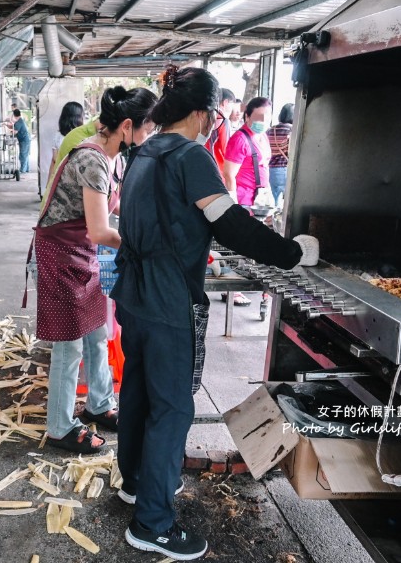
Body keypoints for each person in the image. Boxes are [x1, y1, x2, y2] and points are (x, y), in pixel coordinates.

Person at [111, 64, 319, 561]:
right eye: (215, 115)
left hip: (134, 296)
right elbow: (232, 226)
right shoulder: (191, 156)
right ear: (204, 113)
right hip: (166, 301)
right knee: (173, 408)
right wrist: (292, 253)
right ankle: (153, 525)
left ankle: (138, 484)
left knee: (138, 392)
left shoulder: (144, 151)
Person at [31, 86, 157, 456]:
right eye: (148, 130)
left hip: (82, 250)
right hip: (60, 252)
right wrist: (145, 246)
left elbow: (102, 218)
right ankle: (59, 426)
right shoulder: (93, 160)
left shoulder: (113, 156)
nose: (149, 138)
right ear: (128, 126)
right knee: (69, 347)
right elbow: (102, 230)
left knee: (98, 334)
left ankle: (100, 405)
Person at [221, 97, 274, 307]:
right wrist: (233, 203)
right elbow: (228, 174)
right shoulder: (240, 139)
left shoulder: (262, 137)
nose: (264, 120)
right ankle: (231, 290)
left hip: (259, 201)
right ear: (247, 116)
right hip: (243, 200)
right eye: (259, 116)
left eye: (267, 117)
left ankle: (252, 289)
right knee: (237, 247)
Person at [45, 102, 85, 195]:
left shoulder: (58, 136)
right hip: (79, 182)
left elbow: (54, 161)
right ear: (79, 117)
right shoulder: (84, 137)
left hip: (60, 182)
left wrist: (48, 185)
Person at [204, 87, 236, 178]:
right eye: (231, 103)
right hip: (215, 167)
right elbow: (226, 149)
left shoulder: (204, 117)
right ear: (225, 102)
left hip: (200, 162)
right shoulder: (223, 120)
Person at [267, 103, 294, 205]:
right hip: (284, 169)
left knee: (275, 199)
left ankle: (273, 219)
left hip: (271, 170)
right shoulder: (292, 130)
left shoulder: (271, 130)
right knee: (286, 201)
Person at [5, 109, 31, 173]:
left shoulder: (19, 122)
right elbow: (12, 127)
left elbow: (15, 131)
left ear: (14, 115)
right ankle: (26, 169)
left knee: (23, 155)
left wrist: (10, 132)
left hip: (24, 140)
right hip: (25, 140)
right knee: (25, 155)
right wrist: (5, 124)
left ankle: (23, 170)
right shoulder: (19, 121)